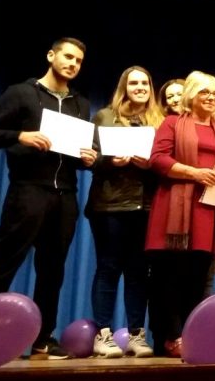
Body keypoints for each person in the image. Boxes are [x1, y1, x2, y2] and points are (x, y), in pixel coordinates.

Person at [0, 37, 96, 360]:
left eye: (79, 61)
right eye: (68, 57)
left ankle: (43, 338)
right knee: (3, 263)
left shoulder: (80, 103)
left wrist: (88, 157)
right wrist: (21, 136)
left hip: (65, 194)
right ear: (51, 55)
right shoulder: (21, 93)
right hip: (28, 191)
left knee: (53, 270)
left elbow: (78, 151)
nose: (72, 64)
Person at [146, 71, 215, 357]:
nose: (211, 98)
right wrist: (195, 173)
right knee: (169, 276)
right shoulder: (173, 123)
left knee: (198, 276)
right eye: (204, 93)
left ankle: (192, 333)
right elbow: (158, 160)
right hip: (174, 208)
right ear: (191, 96)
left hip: (208, 209)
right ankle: (170, 337)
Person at [87, 66, 163, 358]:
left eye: (145, 82)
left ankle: (136, 334)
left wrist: (150, 164)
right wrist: (110, 162)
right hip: (109, 205)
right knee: (108, 267)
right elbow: (89, 159)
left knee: (138, 272)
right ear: (124, 86)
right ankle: (103, 334)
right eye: (134, 82)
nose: (140, 86)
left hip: (146, 206)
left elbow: (165, 164)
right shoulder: (106, 116)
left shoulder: (159, 121)